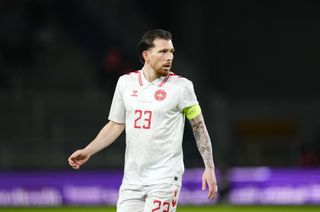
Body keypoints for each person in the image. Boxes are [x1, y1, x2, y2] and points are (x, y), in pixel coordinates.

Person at [68, 29, 218, 211]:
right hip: (132, 179)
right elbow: (116, 124)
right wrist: (88, 150)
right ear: (146, 55)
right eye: (163, 52)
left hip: (165, 178)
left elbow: (199, 127)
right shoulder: (125, 83)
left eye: (171, 51)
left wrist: (209, 167)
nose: (169, 57)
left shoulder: (182, 87)